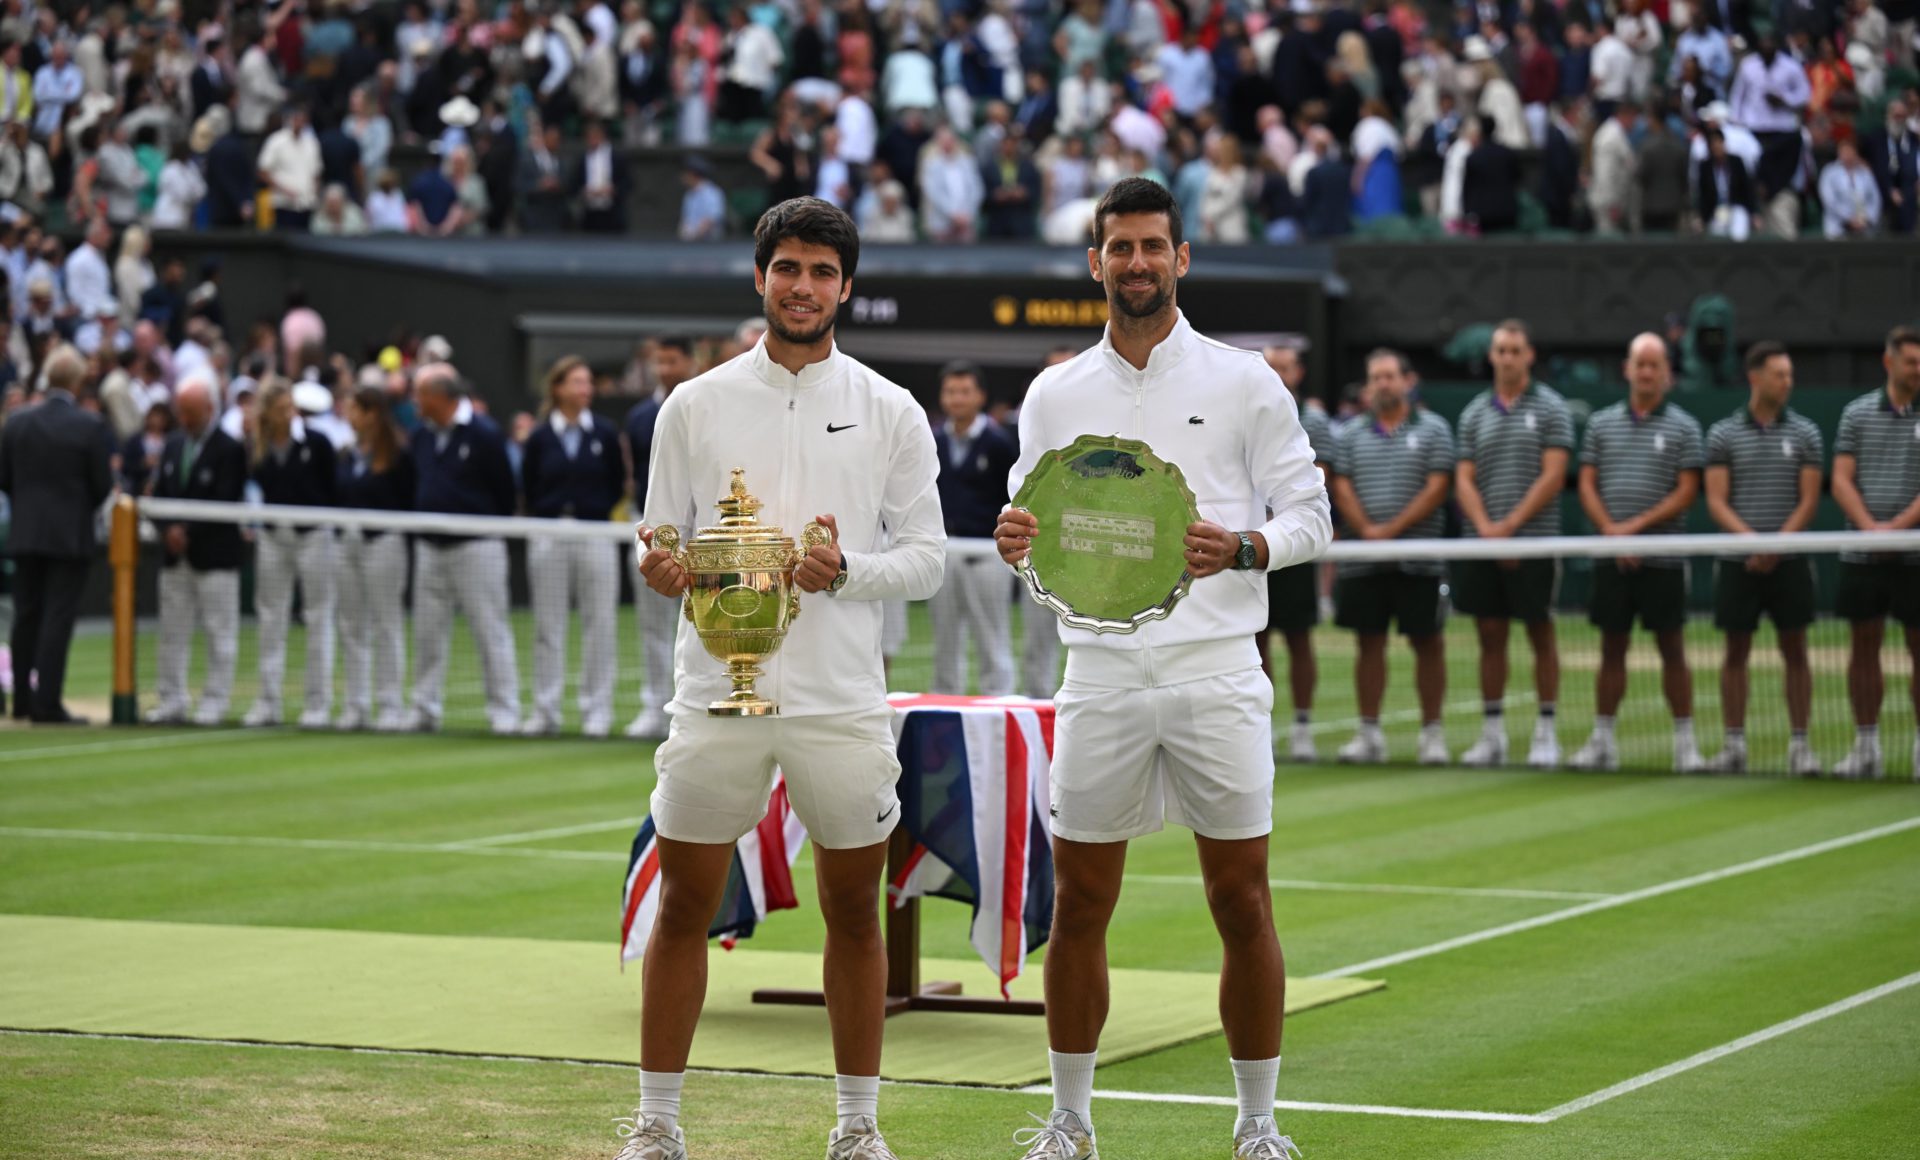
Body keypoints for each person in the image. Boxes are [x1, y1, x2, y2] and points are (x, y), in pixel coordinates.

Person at [995, 178, 1329, 1160]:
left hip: (1217, 667)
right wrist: (1018, 542)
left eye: (1153, 246)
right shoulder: (1054, 392)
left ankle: (1258, 1124)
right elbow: (1040, 549)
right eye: (1119, 247)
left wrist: (1248, 547)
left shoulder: (1246, 379)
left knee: (1241, 897)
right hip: (1097, 672)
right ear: (1093, 262)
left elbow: (1311, 515)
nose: (1136, 262)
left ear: (1182, 257)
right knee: (1081, 901)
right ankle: (1069, 1121)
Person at [616, 197, 944, 1160]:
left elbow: (926, 559)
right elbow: (660, 534)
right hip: (713, 691)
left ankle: (855, 1130)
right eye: (788, 268)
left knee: (854, 912)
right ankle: (658, 1127)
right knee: (683, 905)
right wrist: (659, 566)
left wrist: (845, 573)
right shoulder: (695, 403)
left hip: (840, 701)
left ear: (847, 286)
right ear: (759, 277)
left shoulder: (890, 408)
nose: (804, 287)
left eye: (823, 272)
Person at [1568, 335, 1706, 773]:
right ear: (1627, 370)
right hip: (1613, 557)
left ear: (1666, 372)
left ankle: (1686, 745)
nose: (1646, 373)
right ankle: (1603, 740)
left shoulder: (1685, 427)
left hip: (1662, 559)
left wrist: (1634, 531)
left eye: (1654, 365)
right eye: (1639, 364)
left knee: (1672, 648)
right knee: (1611, 648)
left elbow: (1686, 492)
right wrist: (1612, 532)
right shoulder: (1602, 425)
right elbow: (1587, 482)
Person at [1451, 319, 1573, 769]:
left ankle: (1545, 732)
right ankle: (1492, 734)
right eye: (1500, 350)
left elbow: (1554, 474)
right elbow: (1463, 477)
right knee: (1490, 636)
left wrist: (1511, 527)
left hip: (1535, 544)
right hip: (1483, 543)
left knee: (1541, 633)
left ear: (1529, 356)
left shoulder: (1553, 408)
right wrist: (1487, 529)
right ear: (1492, 357)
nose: (1507, 357)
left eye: (1515, 350)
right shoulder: (1474, 413)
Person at [1327, 349, 1455, 765]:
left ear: (1407, 381)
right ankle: (1368, 734)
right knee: (1369, 644)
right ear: (1368, 386)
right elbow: (1341, 487)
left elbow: (1437, 487)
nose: (1383, 384)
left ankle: (1433, 735)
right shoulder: (1349, 435)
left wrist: (1390, 532)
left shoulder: (1435, 430)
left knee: (1428, 643)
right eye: (1375, 378)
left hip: (1419, 558)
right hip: (1365, 561)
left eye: (1389, 376)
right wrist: (1368, 532)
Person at [1701, 342, 1824, 776]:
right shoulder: (1722, 434)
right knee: (1735, 650)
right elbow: (1716, 501)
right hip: (1738, 561)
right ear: (1755, 378)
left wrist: (1776, 546)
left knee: (1796, 650)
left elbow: (1809, 501)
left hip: (1788, 562)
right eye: (1779, 375)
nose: (1786, 383)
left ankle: (1801, 746)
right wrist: (1753, 542)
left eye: (1789, 375)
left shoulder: (1806, 433)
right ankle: (1733, 745)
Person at [406, 363, 521, 734]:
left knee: (491, 632)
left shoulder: (485, 434)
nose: (415, 402)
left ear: (439, 396)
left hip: (477, 549)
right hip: (429, 548)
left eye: (420, 394)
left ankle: (505, 713)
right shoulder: (421, 436)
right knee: (426, 633)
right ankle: (424, 709)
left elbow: (505, 491)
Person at [0, 347, 112, 723]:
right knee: (56, 619)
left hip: (26, 535)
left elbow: (4, 479)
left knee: (26, 616)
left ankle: (23, 702)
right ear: (78, 383)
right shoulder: (89, 426)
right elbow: (102, 486)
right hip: (68, 538)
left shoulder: (17, 422)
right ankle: (47, 704)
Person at [1828, 326, 1920, 779]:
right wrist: (1870, 530)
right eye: (1912, 362)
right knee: (1864, 649)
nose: (1918, 370)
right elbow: (1842, 478)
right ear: (1890, 363)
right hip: (1864, 556)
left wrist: (1897, 531)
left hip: (1915, 556)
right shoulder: (1856, 414)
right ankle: (1867, 747)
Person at [521, 355, 626, 737]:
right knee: (548, 626)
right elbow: (530, 486)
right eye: (577, 382)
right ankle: (545, 711)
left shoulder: (604, 432)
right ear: (558, 388)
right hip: (549, 535)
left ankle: (596, 713)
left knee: (600, 624)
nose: (585, 389)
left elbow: (616, 483)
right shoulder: (538, 437)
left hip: (595, 534)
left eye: (588, 383)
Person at [148, 374, 247, 725]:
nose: (185, 420)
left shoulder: (231, 449)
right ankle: (171, 700)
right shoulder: (173, 445)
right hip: (176, 559)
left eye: (191, 413)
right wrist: (167, 530)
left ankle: (215, 702)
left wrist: (187, 531)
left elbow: (225, 499)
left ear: (209, 409)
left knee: (220, 633)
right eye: (182, 413)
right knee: (172, 632)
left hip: (215, 558)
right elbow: (159, 494)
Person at [244, 379, 340, 728]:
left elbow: (332, 490)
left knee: (318, 617)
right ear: (267, 413)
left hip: (315, 537)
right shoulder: (257, 447)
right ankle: (267, 702)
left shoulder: (318, 443)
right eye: (281, 409)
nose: (289, 414)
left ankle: (318, 705)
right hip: (273, 537)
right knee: (271, 618)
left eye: (291, 407)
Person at [1258, 343, 1329, 761]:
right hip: (1253, 544)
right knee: (1257, 638)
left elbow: (1320, 481)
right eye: (1272, 367)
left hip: (1295, 545)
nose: (1279, 374)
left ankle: (1302, 726)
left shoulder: (1314, 420)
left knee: (1299, 638)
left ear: (1298, 372)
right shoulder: (1250, 412)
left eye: (1285, 367)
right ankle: (1261, 726)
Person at [622, 335, 694, 741]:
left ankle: (692, 705)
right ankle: (655, 707)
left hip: (702, 532)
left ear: (688, 362)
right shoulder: (638, 417)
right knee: (652, 624)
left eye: (672, 361)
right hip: (652, 529)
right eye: (659, 362)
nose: (664, 369)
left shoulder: (706, 403)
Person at [930, 359, 1017, 696]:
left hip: (986, 555)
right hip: (946, 553)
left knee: (991, 638)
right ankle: (943, 705)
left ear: (980, 396)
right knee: (945, 640)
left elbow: (1011, 495)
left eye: (965, 391)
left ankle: (998, 704)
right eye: (951, 391)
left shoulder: (998, 444)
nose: (957, 399)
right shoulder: (933, 440)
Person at [335, 384, 415, 732]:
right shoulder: (345, 454)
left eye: (354, 409)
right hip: (346, 544)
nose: (348, 415)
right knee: (351, 627)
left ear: (371, 414)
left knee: (386, 625)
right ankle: (356, 706)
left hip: (385, 545)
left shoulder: (399, 456)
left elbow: (408, 500)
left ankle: (390, 706)